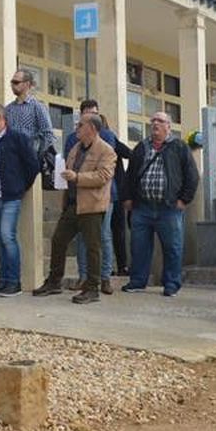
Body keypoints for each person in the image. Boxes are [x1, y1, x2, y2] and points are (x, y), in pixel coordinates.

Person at [35, 116, 117, 304]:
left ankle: (92, 288)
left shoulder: (106, 150)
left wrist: (77, 177)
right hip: (72, 204)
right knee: (58, 240)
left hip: (92, 206)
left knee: (92, 247)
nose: (77, 128)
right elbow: (68, 169)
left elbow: (103, 176)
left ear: (92, 129)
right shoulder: (75, 148)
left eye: (80, 125)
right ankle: (54, 281)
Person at [121, 112, 200, 297]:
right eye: (153, 121)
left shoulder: (179, 147)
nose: (155, 124)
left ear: (168, 127)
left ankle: (171, 283)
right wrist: (127, 198)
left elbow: (192, 176)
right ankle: (138, 281)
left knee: (172, 247)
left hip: (169, 208)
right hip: (142, 207)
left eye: (160, 121)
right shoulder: (141, 147)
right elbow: (130, 174)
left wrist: (184, 200)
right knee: (138, 246)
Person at [65, 101, 129, 295]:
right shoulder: (71, 139)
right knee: (83, 238)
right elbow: (68, 162)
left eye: (95, 113)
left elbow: (105, 168)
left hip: (104, 195)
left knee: (103, 236)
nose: (92, 117)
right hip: (78, 195)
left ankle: (105, 278)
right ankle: (83, 276)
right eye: (87, 114)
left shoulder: (108, 137)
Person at [0, 103, 39, 297]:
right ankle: (3, 280)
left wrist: (20, 187)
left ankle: (14, 282)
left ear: (0, 117)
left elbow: (32, 165)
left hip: (10, 197)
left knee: (8, 237)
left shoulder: (16, 138)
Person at [4, 69, 55, 165]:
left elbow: (48, 135)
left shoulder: (37, 107)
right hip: (11, 159)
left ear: (27, 84)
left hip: (29, 160)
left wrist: (36, 156)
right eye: (12, 82)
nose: (12, 85)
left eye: (16, 82)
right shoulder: (8, 109)